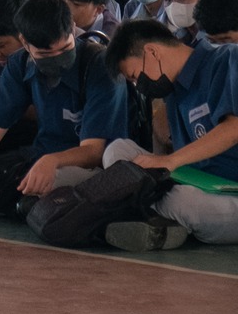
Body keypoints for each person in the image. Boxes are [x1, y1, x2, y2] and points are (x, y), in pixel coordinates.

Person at [0, 0, 126, 217]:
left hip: (83, 168)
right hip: (33, 162)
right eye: (44, 55)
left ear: (72, 29)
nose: (57, 59)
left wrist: (53, 161)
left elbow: (93, 151)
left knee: (56, 183)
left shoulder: (99, 65)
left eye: (65, 49)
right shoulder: (19, 63)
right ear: (24, 42)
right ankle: (20, 209)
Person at [99, 21, 238, 250]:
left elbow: (233, 129)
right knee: (118, 150)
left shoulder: (227, 60)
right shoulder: (172, 90)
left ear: (152, 52)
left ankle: (147, 213)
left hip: (228, 193)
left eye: (135, 76)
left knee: (184, 202)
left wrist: (170, 161)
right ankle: (158, 219)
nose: (138, 85)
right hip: (196, 180)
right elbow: (166, 151)